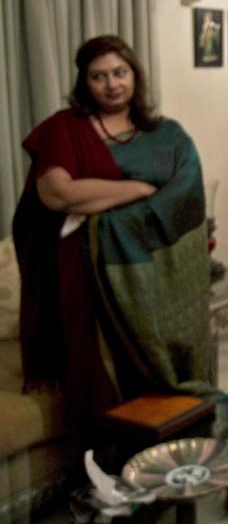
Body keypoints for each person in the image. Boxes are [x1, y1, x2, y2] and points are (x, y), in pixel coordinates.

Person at [13, 35, 212, 430]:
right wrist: (137, 191)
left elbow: (185, 196)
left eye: (120, 72)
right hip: (85, 273)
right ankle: (108, 464)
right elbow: (56, 193)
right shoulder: (66, 128)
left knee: (162, 370)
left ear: (134, 75)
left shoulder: (167, 136)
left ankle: (170, 451)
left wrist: (95, 206)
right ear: (84, 83)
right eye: (98, 76)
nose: (112, 84)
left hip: (152, 272)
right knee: (102, 375)